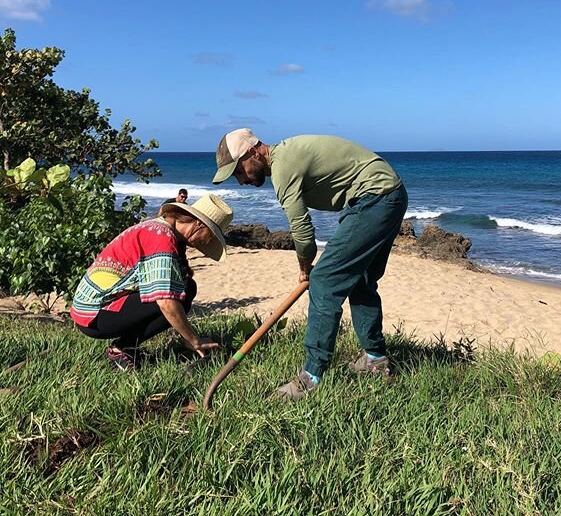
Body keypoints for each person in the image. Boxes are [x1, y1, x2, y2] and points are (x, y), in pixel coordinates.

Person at [212, 129, 408, 400]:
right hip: (388, 194)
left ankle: (310, 378)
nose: (240, 179)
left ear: (254, 152)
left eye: (239, 170)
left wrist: (305, 269)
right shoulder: (287, 155)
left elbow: (302, 231)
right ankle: (376, 360)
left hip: (374, 198)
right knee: (360, 281)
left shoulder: (283, 166)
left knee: (324, 282)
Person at [70, 194, 233, 371]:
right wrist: (193, 340)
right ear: (198, 224)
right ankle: (121, 348)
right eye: (209, 237)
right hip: (95, 315)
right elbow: (165, 301)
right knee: (182, 292)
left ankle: (126, 346)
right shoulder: (161, 236)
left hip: (91, 308)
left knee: (185, 286)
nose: (205, 243)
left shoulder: (156, 227)